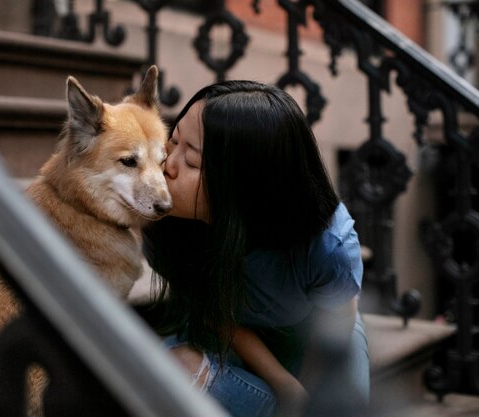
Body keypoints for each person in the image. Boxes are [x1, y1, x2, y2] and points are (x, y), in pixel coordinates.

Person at [142, 80, 369, 417]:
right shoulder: (167, 225)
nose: (167, 167)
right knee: (165, 372)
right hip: (223, 338)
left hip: (314, 349)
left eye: (191, 161)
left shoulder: (326, 244)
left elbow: (330, 340)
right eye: (172, 142)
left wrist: (298, 397)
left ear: (245, 183)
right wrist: (281, 385)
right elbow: (214, 314)